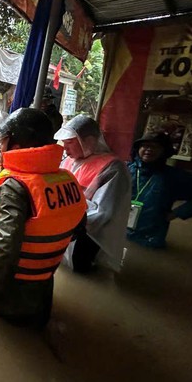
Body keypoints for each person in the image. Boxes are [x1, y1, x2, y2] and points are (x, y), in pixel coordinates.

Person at [0, 108, 86, 326]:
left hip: (10, 291)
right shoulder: (65, 178)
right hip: (43, 286)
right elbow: (78, 227)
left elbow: (4, 250)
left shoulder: (14, 186)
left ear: (15, 146)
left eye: (2, 142)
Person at [56, 114, 131, 273]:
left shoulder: (112, 167)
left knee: (79, 268)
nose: (64, 148)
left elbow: (103, 211)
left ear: (88, 141)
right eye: (64, 143)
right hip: (63, 225)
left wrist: (73, 223)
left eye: (69, 142)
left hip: (88, 231)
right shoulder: (69, 159)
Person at [127, 131, 192, 248]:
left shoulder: (174, 176)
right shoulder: (125, 169)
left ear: (164, 152)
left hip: (150, 238)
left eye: (155, 147)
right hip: (118, 232)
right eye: (145, 146)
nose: (148, 149)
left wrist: (176, 213)